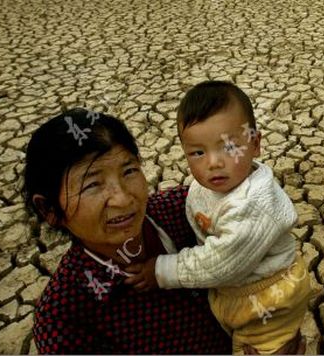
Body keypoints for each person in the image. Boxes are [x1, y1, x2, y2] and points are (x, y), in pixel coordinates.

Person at [24, 108, 232, 354]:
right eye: (92, 185)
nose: (122, 199)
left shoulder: (187, 209)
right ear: (49, 209)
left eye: (129, 171)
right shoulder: (65, 320)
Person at [125, 81, 311, 355]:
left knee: (263, 349)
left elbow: (223, 263)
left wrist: (162, 271)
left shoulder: (254, 204)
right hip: (233, 291)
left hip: (269, 298)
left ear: (255, 143)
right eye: (198, 152)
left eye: (228, 147)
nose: (213, 162)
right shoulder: (207, 185)